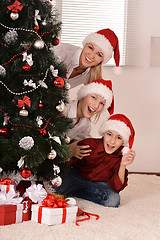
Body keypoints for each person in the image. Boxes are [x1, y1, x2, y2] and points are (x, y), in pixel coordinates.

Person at [54, 113, 136, 208]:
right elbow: (66, 160)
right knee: (55, 187)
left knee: (113, 200)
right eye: (109, 134)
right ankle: (74, 188)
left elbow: (117, 187)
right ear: (103, 134)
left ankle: (78, 192)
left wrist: (123, 165)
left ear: (123, 142)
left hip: (97, 184)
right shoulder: (89, 144)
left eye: (118, 137)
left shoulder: (119, 157)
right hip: (76, 176)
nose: (112, 141)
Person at [52, 28, 120, 88]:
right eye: (90, 48)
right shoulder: (61, 51)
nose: (91, 56)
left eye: (99, 54)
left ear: (102, 61)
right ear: (85, 46)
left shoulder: (90, 75)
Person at [64, 78, 114, 159]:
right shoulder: (63, 109)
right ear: (83, 96)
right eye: (94, 97)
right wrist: (68, 149)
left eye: (101, 103)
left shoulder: (85, 124)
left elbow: (88, 144)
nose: (96, 106)